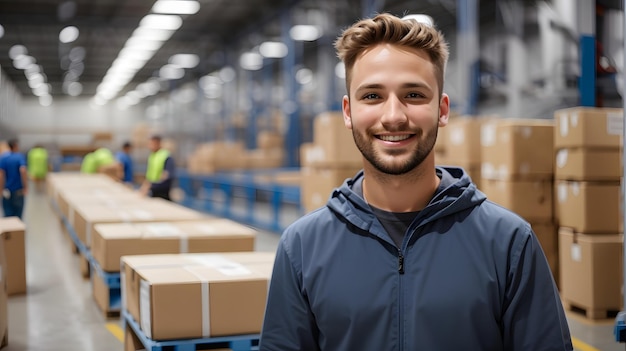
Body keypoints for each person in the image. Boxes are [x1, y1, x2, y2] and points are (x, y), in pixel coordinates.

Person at [260, 13, 573, 351]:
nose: (394, 116)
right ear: (348, 112)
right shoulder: (302, 248)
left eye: (413, 95)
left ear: (442, 109)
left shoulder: (508, 243)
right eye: (372, 96)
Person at [139, 135, 174, 200]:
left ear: (157, 143)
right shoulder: (152, 155)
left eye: (151, 144)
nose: (149, 146)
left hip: (162, 192)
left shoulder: (165, 156)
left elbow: (167, 177)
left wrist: (151, 185)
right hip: (153, 191)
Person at [0, 139, 28, 219]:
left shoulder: (3, 158)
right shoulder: (19, 157)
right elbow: (23, 170)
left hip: (7, 191)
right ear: (15, 146)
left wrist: (1, 189)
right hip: (18, 191)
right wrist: (25, 186)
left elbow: (1, 175)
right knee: (18, 216)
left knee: (8, 216)